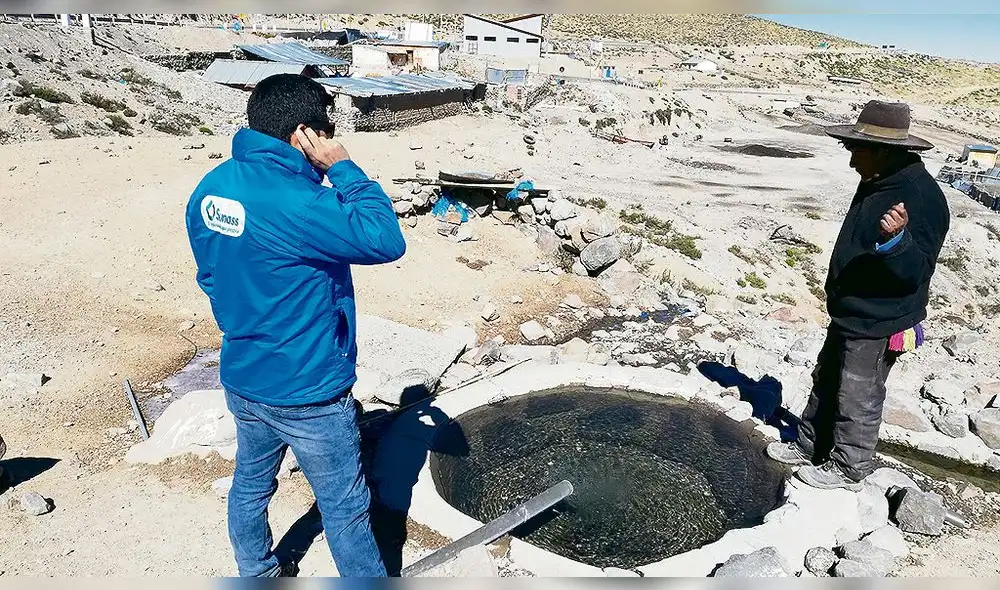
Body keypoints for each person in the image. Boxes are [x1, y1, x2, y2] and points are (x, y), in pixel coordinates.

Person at [184, 74, 406, 577]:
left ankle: (256, 572)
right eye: (326, 130)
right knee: (346, 508)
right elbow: (385, 238)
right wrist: (344, 169)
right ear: (304, 134)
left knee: (251, 484)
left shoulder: (212, 186)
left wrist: (244, 320)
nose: (330, 139)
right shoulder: (300, 204)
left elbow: (209, 273)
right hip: (309, 390)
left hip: (244, 375)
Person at [766, 100, 950, 490]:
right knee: (827, 377)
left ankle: (849, 466)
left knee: (858, 391)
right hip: (852, 310)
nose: (852, 162)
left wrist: (896, 241)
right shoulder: (879, 179)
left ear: (886, 151)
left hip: (880, 316)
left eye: (857, 151)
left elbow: (917, 270)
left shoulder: (920, 197)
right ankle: (809, 444)